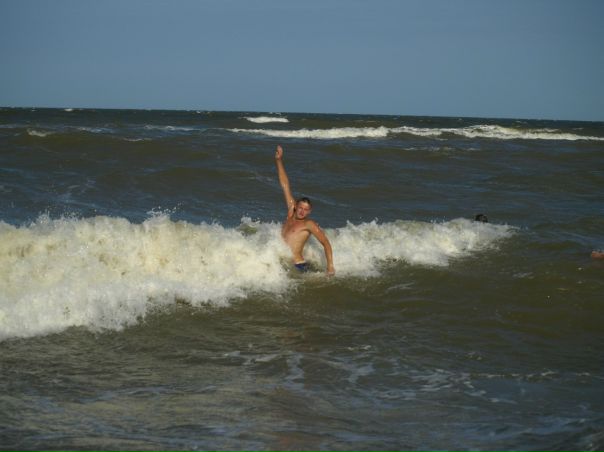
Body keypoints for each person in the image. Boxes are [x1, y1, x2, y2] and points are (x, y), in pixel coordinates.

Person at [275, 145, 335, 275]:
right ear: (296, 206)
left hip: (298, 267)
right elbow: (285, 185)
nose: (302, 211)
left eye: (306, 210)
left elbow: (325, 243)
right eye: (301, 208)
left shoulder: (308, 224)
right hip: (284, 264)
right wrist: (278, 160)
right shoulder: (290, 213)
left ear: (309, 211)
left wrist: (330, 266)